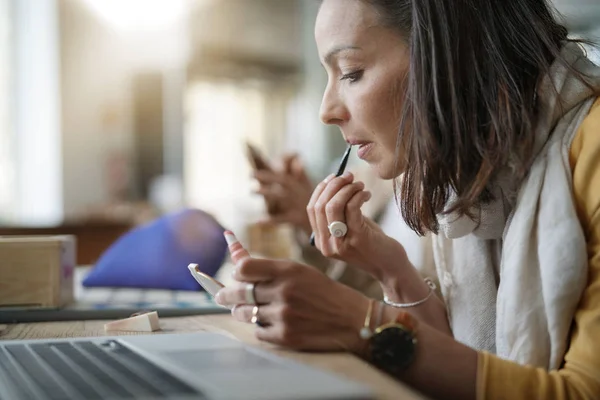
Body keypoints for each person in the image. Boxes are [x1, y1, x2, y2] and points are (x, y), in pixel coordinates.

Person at [215, 0, 600, 399]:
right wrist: (389, 267)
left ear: (447, 55)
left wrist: (361, 323)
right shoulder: (459, 175)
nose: (325, 111)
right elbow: (453, 361)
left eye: (351, 72)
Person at [252, 152, 433, 300]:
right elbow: (334, 279)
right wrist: (312, 224)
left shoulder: (453, 207)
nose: (326, 115)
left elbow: (442, 310)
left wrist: (390, 270)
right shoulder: (364, 179)